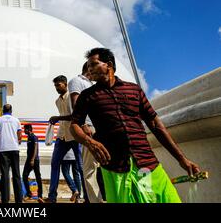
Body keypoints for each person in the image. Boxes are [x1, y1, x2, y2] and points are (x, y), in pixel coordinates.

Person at [69, 47, 201, 203]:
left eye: (94, 64)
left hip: (147, 164)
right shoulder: (87, 96)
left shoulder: (134, 90)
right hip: (115, 168)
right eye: (88, 66)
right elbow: (74, 126)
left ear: (109, 65)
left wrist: (182, 160)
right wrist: (90, 142)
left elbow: (155, 125)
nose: (89, 69)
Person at [44, 75, 83, 203]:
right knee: (54, 164)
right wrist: (57, 119)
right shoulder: (57, 101)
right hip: (61, 136)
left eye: (59, 85)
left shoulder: (71, 97)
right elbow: (62, 117)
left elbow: (75, 116)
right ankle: (51, 197)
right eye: (55, 86)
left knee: (80, 167)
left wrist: (58, 118)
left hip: (74, 136)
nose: (57, 88)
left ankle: (85, 196)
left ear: (65, 84)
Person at [68, 63, 103, 203]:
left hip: (100, 127)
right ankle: (95, 201)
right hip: (88, 127)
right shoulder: (77, 81)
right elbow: (76, 104)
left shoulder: (92, 84)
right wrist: (83, 124)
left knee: (103, 164)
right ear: (89, 69)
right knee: (90, 168)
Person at [0, 104, 23, 203]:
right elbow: (19, 135)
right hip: (14, 149)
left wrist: (1, 135)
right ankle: (19, 200)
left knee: (5, 175)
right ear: (11, 110)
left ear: (3, 110)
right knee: (16, 174)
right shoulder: (16, 120)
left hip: (3, 150)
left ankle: (5, 199)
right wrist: (17, 140)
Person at [22, 124, 43, 202]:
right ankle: (29, 194)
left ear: (28, 129)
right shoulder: (28, 137)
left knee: (38, 177)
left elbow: (35, 148)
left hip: (34, 160)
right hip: (29, 159)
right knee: (24, 176)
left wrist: (33, 159)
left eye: (25, 129)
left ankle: (40, 195)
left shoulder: (34, 137)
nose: (24, 131)